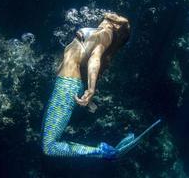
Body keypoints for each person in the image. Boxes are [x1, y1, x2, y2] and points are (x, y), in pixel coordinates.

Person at [41, 12, 160, 159]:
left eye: (116, 17)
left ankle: (105, 152)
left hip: (67, 86)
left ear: (116, 25)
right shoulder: (101, 32)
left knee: (49, 146)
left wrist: (91, 90)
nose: (111, 14)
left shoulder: (107, 34)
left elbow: (94, 60)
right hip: (65, 85)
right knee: (46, 137)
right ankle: (106, 152)